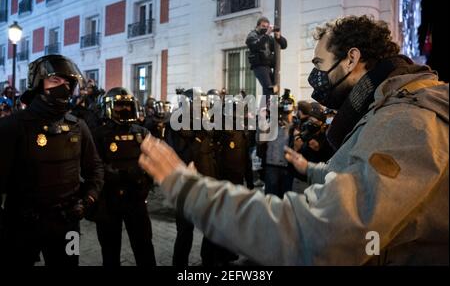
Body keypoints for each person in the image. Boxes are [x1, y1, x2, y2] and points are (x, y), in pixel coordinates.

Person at [138, 15, 448, 265]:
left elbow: (322, 234)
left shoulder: (406, 120)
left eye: (318, 64)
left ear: (351, 59)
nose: (316, 78)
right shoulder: (388, 110)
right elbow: (362, 181)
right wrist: (312, 170)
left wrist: (189, 191)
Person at [0, 54, 104, 266]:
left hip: (68, 226)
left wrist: (88, 200)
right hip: (22, 226)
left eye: (68, 83)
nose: (63, 87)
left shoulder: (79, 126)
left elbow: (95, 169)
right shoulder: (12, 126)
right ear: (38, 84)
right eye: (55, 81)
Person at [91, 87, 156, 266]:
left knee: (144, 247)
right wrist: (121, 175)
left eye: (127, 105)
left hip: (136, 199)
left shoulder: (141, 132)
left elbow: (153, 161)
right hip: (108, 201)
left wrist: (144, 185)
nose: (124, 109)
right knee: (110, 251)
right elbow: (94, 166)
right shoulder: (98, 134)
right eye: (119, 106)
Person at [246, 17, 287, 109]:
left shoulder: (268, 37)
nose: (265, 28)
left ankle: (269, 109)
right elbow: (256, 46)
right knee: (268, 88)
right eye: (263, 26)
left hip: (268, 66)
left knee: (275, 88)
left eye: (267, 27)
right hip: (259, 66)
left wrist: (278, 36)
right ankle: (264, 111)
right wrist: (267, 34)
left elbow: (284, 45)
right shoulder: (252, 35)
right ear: (257, 26)